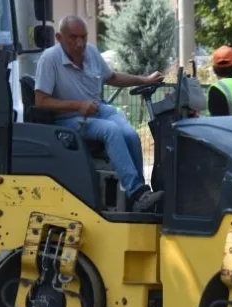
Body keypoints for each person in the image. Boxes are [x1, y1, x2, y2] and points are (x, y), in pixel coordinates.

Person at [34, 15, 165, 213]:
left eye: (83, 37)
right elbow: (41, 101)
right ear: (59, 38)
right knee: (110, 130)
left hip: (98, 110)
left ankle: (139, 197)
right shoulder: (49, 59)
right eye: (73, 37)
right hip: (67, 119)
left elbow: (112, 77)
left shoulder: (92, 53)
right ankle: (137, 193)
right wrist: (78, 105)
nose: (80, 43)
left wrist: (144, 80)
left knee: (130, 133)